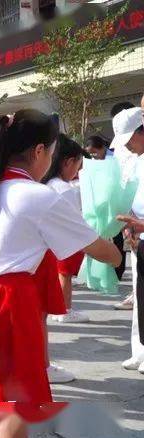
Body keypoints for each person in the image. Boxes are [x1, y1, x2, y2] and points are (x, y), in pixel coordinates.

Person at [0, 109, 121, 438]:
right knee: (15, 408)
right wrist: (119, 253)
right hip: (7, 300)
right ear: (37, 152)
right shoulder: (37, 195)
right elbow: (98, 248)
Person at [42, 135, 89, 324]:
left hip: (47, 243)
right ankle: (64, 309)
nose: (78, 170)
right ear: (68, 162)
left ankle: (57, 308)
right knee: (65, 275)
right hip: (65, 241)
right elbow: (74, 218)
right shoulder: (64, 189)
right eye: (78, 165)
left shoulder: (45, 184)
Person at [114, 104, 144, 374]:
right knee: (140, 294)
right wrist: (130, 226)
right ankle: (139, 349)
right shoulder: (136, 161)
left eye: (129, 140)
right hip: (139, 237)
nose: (127, 147)